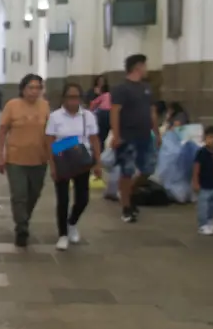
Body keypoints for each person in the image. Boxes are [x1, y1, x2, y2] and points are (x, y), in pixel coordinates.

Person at [46, 82, 102, 251]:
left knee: (83, 198)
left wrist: (97, 163)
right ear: (64, 98)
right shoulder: (55, 116)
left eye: (76, 97)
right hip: (62, 157)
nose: (73, 100)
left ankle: (72, 222)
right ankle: (62, 234)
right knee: (63, 199)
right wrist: (52, 165)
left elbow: (94, 140)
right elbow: (49, 141)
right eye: (70, 97)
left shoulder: (88, 116)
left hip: (81, 158)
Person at [0, 74, 50, 247]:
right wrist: (0, 154)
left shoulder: (45, 106)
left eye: (38, 88)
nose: (34, 91)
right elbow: (3, 131)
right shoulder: (12, 106)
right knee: (19, 194)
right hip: (16, 158)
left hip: (39, 158)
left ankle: (24, 218)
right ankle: (22, 227)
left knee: (33, 194)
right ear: (23, 89)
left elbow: (51, 134)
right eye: (31, 87)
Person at [110, 53, 161, 223]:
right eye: (145, 66)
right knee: (127, 171)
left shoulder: (146, 88)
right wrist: (116, 135)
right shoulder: (122, 89)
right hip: (128, 136)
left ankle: (126, 193)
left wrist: (157, 133)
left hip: (145, 135)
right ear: (137, 67)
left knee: (148, 169)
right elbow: (115, 112)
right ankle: (126, 206)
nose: (147, 69)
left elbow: (151, 112)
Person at [192, 125, 213, 235]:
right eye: (210, 137)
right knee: (203, 205)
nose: (212, 140)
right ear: (205, 138)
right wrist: (195, 182)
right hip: (204, 184)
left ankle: (210, 218)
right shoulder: (202, 152)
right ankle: (203, 225)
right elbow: (196, 168)